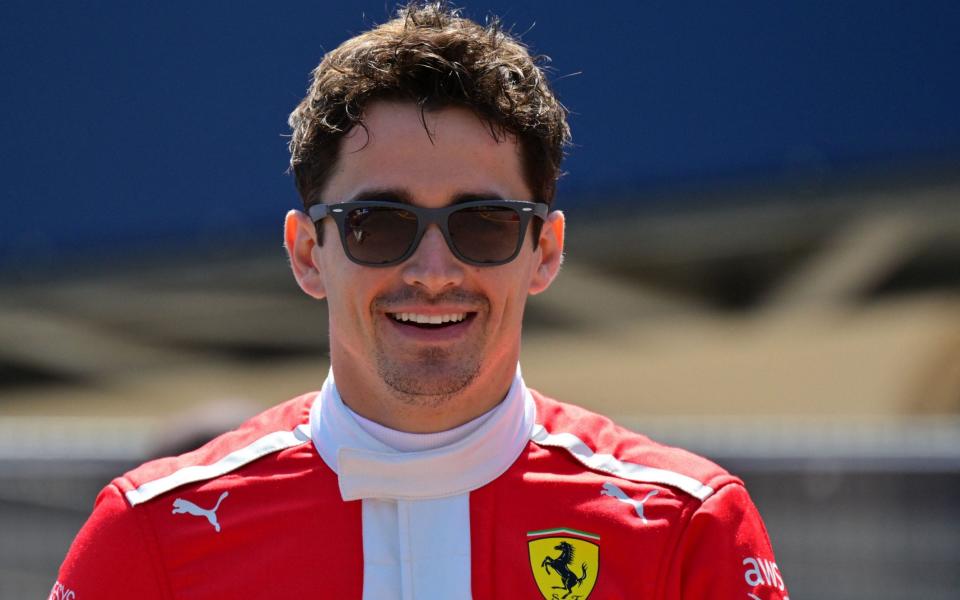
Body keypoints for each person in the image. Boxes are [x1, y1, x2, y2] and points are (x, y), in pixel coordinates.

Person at [52, 3, 788, 599]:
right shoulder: (151, 533)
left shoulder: (687, 524)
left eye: (484, 223)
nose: (434, 270)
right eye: (378, 224)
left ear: (547, 251)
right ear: (308, 252)